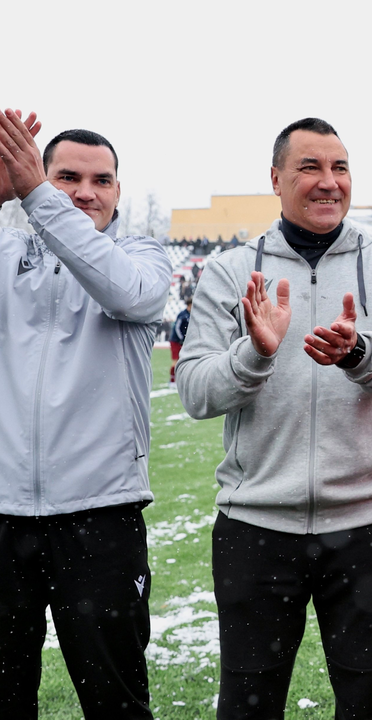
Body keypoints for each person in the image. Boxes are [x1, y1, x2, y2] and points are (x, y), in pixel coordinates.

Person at [177, 117, 372, 720]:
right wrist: (255, 353)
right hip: (256, 526)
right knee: (248, 700)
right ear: (275, 178)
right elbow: (194, 389)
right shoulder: (231, 270)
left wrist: (360, 353)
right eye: (310, 167)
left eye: (339, 167)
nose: (328, 182)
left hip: (368, 523)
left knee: (371, 700)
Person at [0, 109, 172, 719]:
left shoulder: (143, 255)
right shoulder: (6, 251)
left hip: (101, 517)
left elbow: (129, 293)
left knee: (116, 700)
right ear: (39, 175)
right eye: (67, 177)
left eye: (101, 180)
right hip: (4, 515)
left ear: (119, 191)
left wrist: (37, 200)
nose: (83, 192)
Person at [168, 299, 191, 387]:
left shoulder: (190, 315)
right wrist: (181, 338)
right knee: (176, 360)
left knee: (183, 361)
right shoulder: (183, 315)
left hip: (184, 342)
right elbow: (177, 328)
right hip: (176, 341)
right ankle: (172, 380)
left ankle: (180, 380)